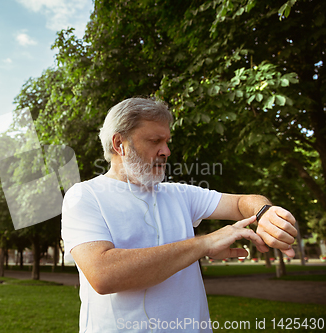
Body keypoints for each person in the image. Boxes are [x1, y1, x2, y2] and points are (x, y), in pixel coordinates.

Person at [61, 97, 297, 332]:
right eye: (155, 141)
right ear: (119, 143)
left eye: (166, 141)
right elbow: (104, 275)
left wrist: (265, 212)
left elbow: (242, 202)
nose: (166, 151)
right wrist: (205, 243)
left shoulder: (180, 194)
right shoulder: (84, 196)